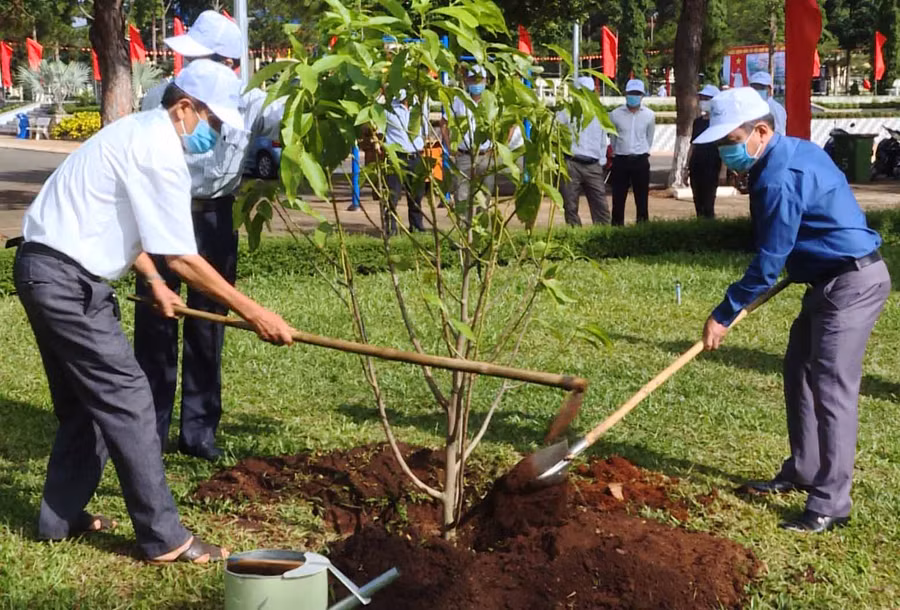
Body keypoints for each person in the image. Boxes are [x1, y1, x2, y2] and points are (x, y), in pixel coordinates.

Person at [13, 60, 294, 563]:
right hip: (65, 281)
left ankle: (60, 520)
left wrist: (155, 282)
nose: (215, 134)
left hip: (45, 269)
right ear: (184, 107)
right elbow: (183, 256)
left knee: (85, 405)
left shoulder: (135, 131)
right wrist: (255, 312)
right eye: (213, 122)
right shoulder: (159, 150)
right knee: (130, 399)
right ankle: (165, 538)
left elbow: (121, 220)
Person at [694, 88, 891, 533]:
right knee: (797, 369)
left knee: (831, 388)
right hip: (826, 280)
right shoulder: (788, 153)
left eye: (731, 139)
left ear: (761, 132)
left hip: (852, 284)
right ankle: (804, 469)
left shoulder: (779, 177)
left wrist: (723, 314)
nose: (726, 151)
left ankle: (830, 503)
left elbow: (767, 264)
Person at [135, 10, 286, 462]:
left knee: (209, 322)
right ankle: (151, 429)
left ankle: (198, 430)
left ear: (227, 63)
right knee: (156, 319)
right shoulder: (160, 97)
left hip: (216, 219)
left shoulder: (250, 100)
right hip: (165, 211)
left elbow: (288, 119)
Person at [558, 75, 610, 226]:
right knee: (570, 205)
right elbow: (557, 134)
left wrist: (601, 161)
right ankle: (574, 236)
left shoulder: (599, 112)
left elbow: (603, 138)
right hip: (571, 163)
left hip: (593, 165)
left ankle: (602, 236)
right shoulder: (565, 111)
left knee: (601, 206)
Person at [443, 65, 494, 212]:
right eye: (473, 80)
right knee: (462, 193)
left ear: (485, 81)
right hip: (464, 155)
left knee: (485, 193)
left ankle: (481, 228)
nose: (477, 84)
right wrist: (450, 146)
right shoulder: (459, 101)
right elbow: (444, 123)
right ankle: (464, 229)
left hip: (485, 155)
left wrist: (498, 147)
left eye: (480, 80)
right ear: (467, 81)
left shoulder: (490, 101)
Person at [609, 79, 655, 225]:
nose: (634, 96)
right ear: (625, 94)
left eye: (637, 93)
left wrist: (642, 151)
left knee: (642, 198)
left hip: (640, 160)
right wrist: (617, 152)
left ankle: (642, 227)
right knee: (618, 198)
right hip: (620, 160)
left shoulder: (649, 115)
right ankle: (617, 227)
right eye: (631, 93)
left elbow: (649, 137)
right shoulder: (615, 114)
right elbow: (613, 137)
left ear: (642, 96)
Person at [381, 89, 427, 235]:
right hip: (396, 158)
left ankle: (417, 227)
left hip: (416, 156)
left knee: (416, 196)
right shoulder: (387, 109)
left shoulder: (420, 106)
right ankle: (391, 230)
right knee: (392, 196)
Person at [687, 84, 722, 219]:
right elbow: (693, 145)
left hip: (712, 165)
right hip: (696, 164)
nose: (703, 101)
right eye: (702, 98)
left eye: (707, 98)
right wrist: (686, 165)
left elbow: (722, 146)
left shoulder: (719, 123)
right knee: (698, 200)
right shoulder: (698, 122)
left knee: (708, 201)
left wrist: (724, 170)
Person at [749, 71, 786, 135]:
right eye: (755, 87)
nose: (757, 90)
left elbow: (780, 132)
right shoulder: (750, 106)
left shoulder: (776, 108)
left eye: (761, 88)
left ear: (769, 89)